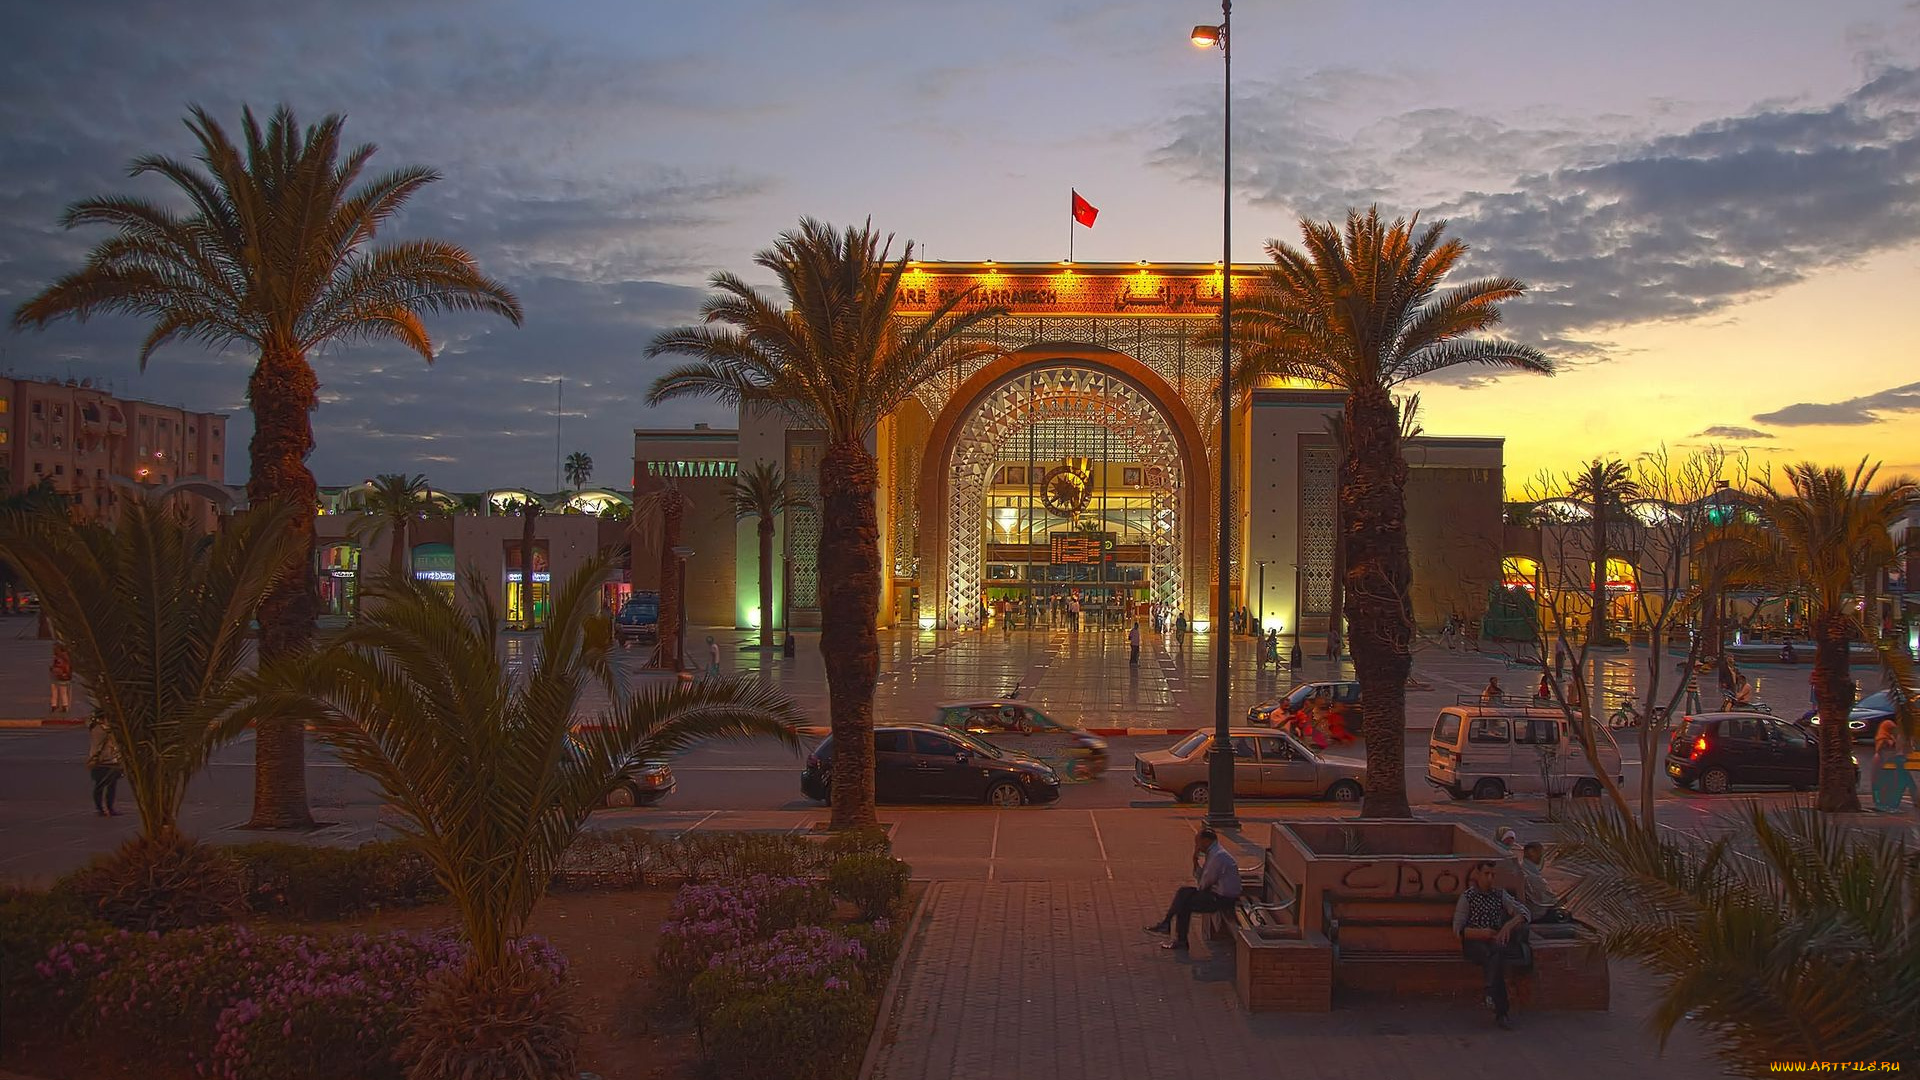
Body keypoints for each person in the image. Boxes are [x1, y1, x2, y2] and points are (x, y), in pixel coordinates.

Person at [1453, 869, 1531, 1029]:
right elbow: (1458, 929)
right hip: (1475, 942)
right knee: (1493, 956)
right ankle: (1501, 1011)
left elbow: (1524, 912)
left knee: (1494, 955)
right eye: (1486, 874)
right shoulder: (1468, 897)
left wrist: (1509, 925)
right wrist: (1482, 933)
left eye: (1492, 875)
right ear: (1478, 875)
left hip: (1494, 942)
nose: (1489, 878)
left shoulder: (1499, 895)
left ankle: (1492, 993)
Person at [1145, 827, 1242, 949]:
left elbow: (1204, 883)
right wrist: (1195, 860)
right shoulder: (1214, 852)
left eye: (1198, 842)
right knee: (1183, 892)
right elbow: (1204, 881)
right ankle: (1167, 924)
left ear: (1206, 841)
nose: (1197, 846)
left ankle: (1175, 934)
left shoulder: (1218, 856)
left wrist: (1199, 885)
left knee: (1184, 903)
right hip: (1217, 894)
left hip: (1223, 899)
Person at [1518, 842, 1572, 923]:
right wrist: (1559, 901)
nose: (1543, 857)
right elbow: (1543, 901)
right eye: (1541, 853)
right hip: (1536, 914)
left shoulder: (1524, 870)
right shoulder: (1532, 876)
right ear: (1532, 852)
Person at [1871, 719, 1917, 813]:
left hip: (1891, 766)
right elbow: (1887, 751)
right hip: (1884, 766)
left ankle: (1888, 804)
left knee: (1902, 782)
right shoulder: (1884, 740)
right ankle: (1884, 804)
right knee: (1894, 783)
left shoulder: (1890, 738)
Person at [85, 713, 120, 817]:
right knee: (108, 786)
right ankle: (107, 808)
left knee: (102, 786)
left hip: (101, 760)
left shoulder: (94, 727)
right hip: (105, 760)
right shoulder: (103, 730)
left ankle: (102, 808)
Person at [49, 642, 73, 715]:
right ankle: (64, 705)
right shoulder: (66, 657)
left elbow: (57, 666)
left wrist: (52, 669)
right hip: (63, 676)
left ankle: (54, 705)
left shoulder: (59, 657)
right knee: (63, 691)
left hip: (58, 676)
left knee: (55, 691)